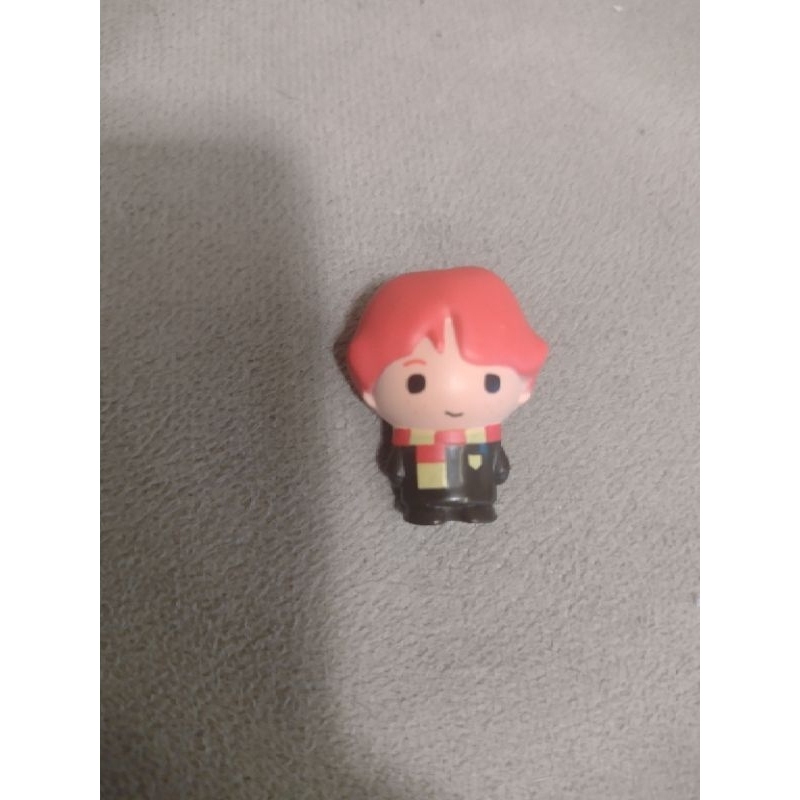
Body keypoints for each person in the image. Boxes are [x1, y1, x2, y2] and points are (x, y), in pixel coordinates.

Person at [347, 267, 548, 524]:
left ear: (524, 388)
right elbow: (397, 465)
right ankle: (425, 509)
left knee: (477, 492)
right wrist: (398, 468)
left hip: (477, 484)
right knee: (425, 498)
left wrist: (499, 466)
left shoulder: (484, 437)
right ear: (371, 393)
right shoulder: (412, 438)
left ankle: (477, 506)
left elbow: (498, 462)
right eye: (415, 383)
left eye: (491, 382)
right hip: (423, 488)